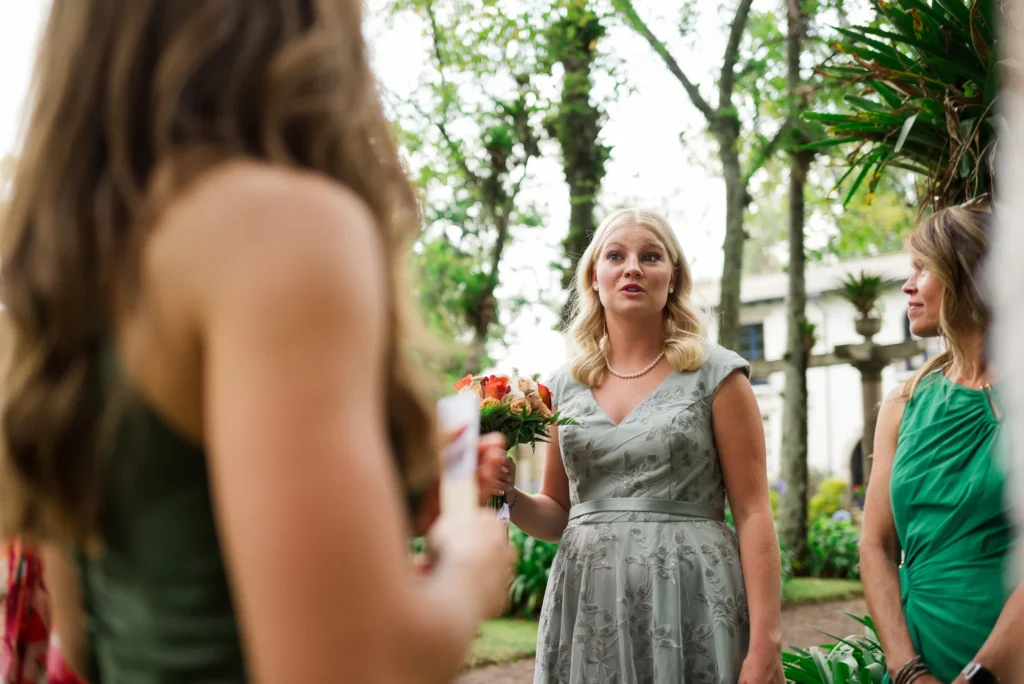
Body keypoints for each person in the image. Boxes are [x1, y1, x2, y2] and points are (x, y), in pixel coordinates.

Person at [0, 2, 513, 682]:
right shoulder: (275, 225)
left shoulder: (65, 274)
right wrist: (468, 569)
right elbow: (352, 670)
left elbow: (88, 641)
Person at [484, 208, 783, 683]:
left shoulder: (718, 375)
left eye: (651, 257)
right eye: (615, 256)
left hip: (692, 598)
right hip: (587, 602)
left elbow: (753, 513)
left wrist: (767, 643)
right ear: (594, 276)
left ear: (673, 277)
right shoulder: (560, 387)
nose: (632, 269)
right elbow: (559, 514)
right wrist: (508, 496)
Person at [860, 199, 1022, 684]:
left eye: (923, 269)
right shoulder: (903, 403)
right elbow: (875, 545)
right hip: (917, 651)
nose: (908, 286)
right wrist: (907, 669)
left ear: (971, 276)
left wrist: (980, 674)